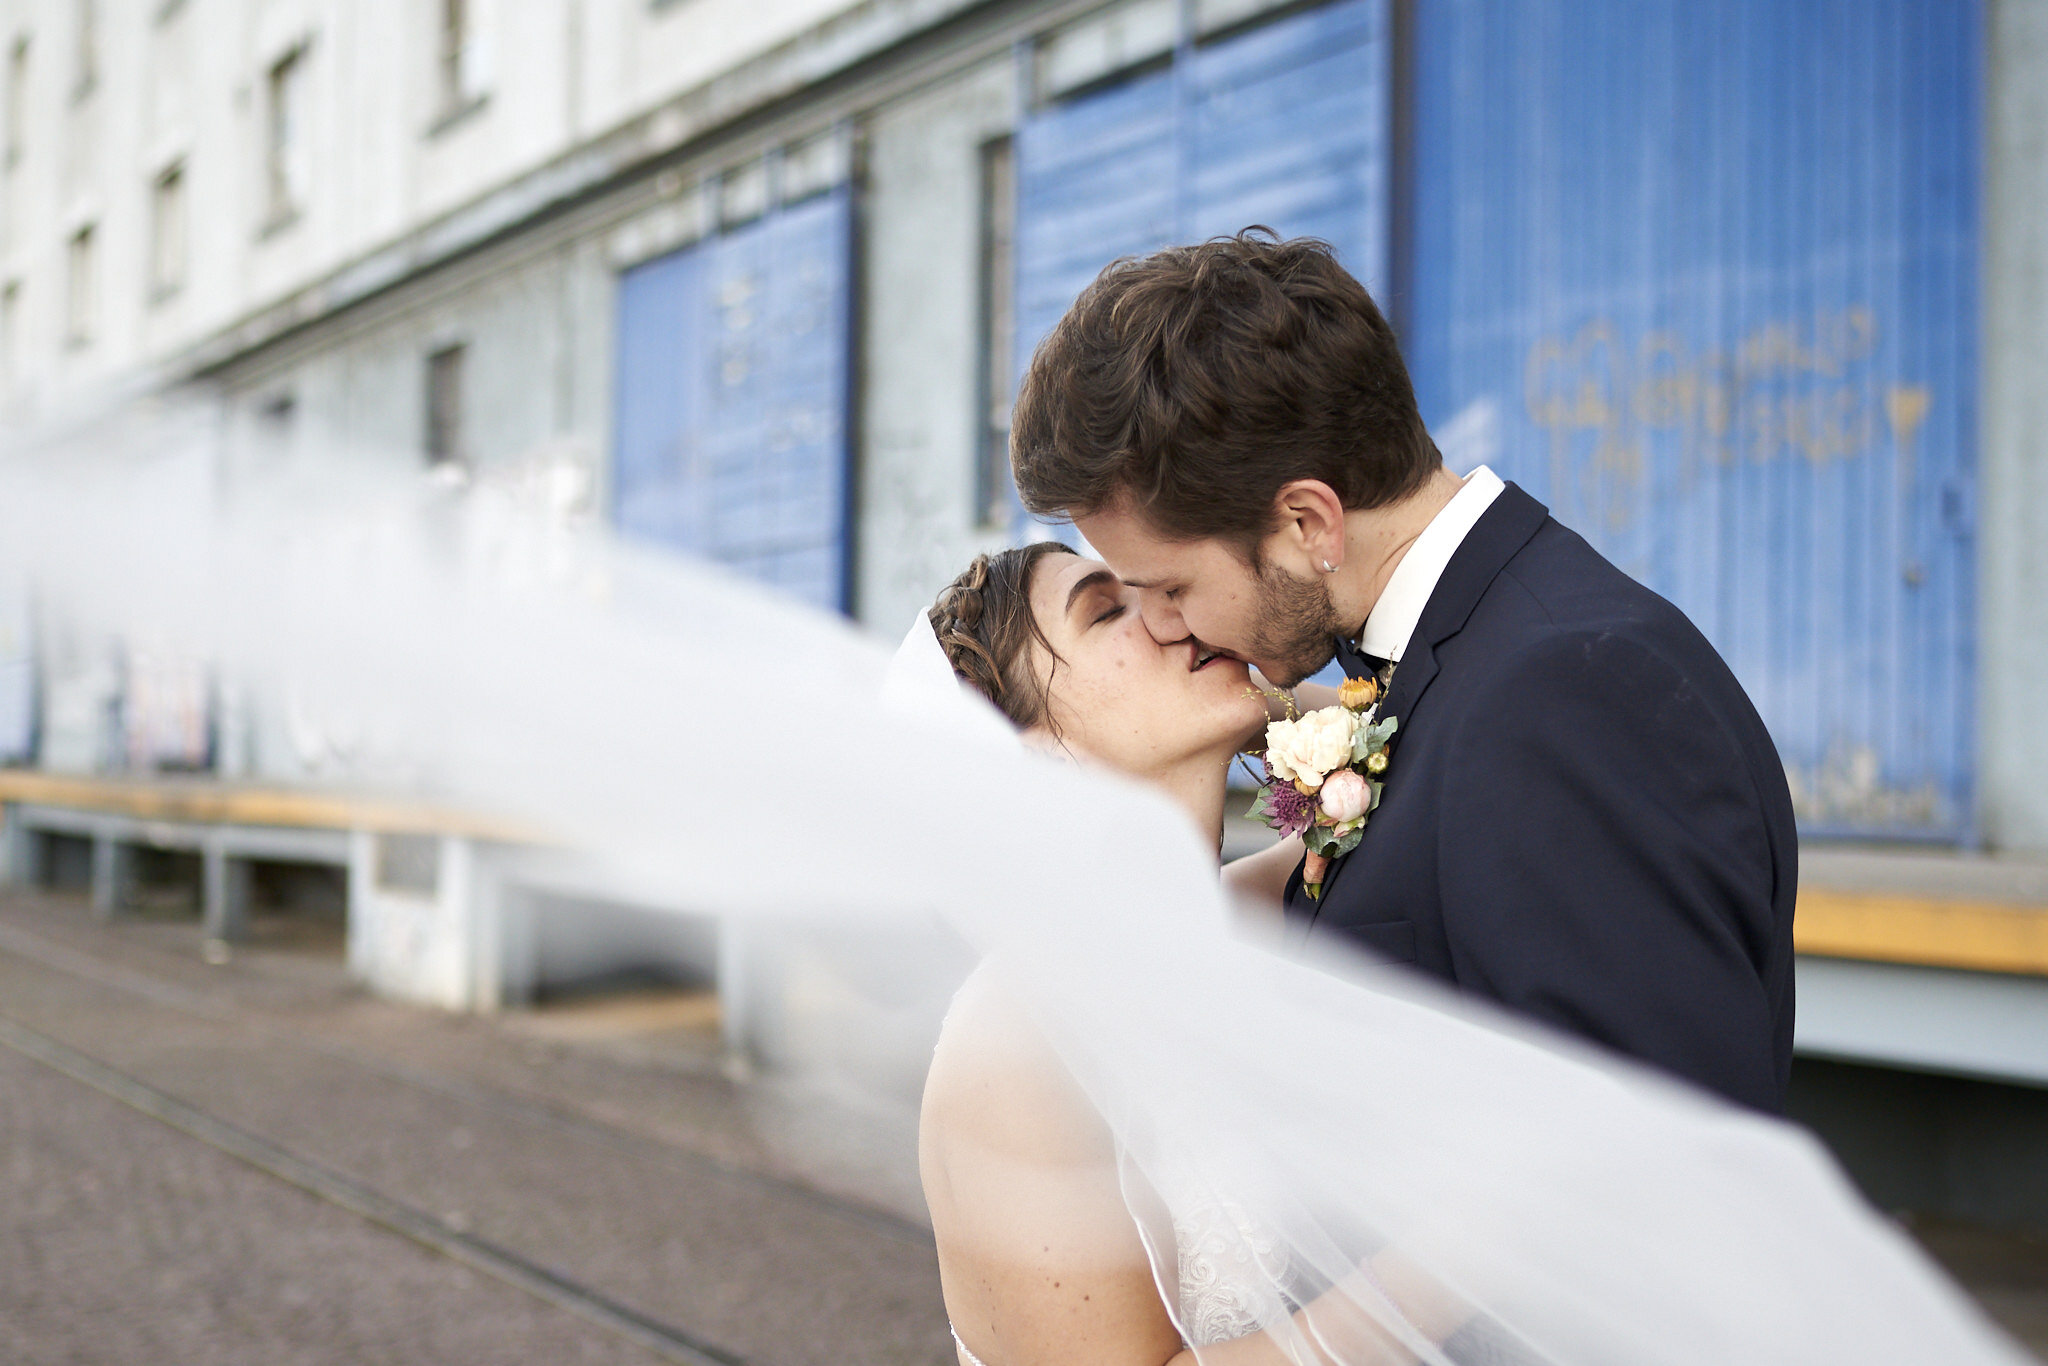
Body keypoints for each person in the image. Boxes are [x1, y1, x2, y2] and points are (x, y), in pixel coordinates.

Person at [1008, 230, 1798, 1115]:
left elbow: (1656, 1166)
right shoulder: (1453, 668)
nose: (1167, 628)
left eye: (1173, 588)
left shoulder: (1566, 695)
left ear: (1309, 523)